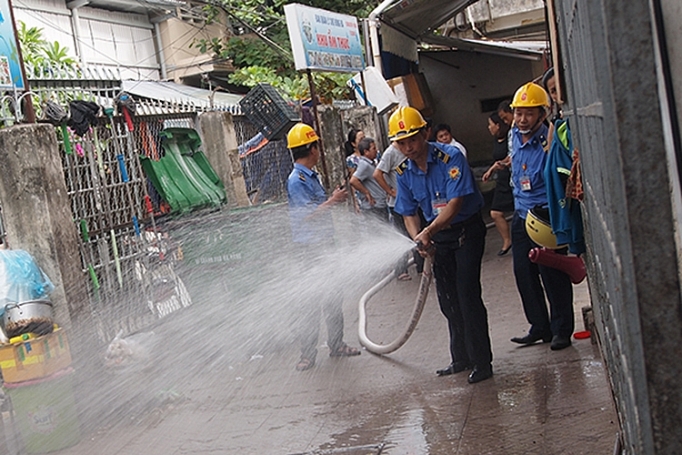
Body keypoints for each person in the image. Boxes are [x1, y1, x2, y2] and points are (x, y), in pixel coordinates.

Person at [390, 106, 493, 384]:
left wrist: (429, 230)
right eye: (401, 142)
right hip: (437, 239)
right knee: (447, 299)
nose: (408, 147)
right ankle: (460, 357)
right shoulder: (403, 170)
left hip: (465, 232)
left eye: (412, 139)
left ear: (425, 133)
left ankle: (482, 361)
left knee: (467, 294)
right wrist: (418, 238)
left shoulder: (450, 156)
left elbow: (455, 203)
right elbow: (408, 211)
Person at [286, 123, 361, 371]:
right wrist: (333, 200)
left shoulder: (311, 176)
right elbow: (306, 215)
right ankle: (307, 355)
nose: (319, 151)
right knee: (310, 302)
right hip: (310, 249)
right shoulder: (296, 180)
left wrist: (333, 198)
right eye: (317, 146)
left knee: (333, 297)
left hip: (325, 245)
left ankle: (336, 344)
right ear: (311, 148)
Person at [506, 82, 574, 351]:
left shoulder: (551, 138)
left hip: (546, 216)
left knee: (552, 274)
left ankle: (561, 330)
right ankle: (539, 326)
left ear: (541, 114)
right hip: (521, 214)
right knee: (524, 273)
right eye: (518, 113)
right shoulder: (513, 134)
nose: (522, 119)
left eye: (529, 114)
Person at [373, 141, 424, 280]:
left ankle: (422, 267)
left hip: (412, 200)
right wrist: (390, 191)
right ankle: (401, 270)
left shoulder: (412, 151)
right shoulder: (390, 153)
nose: (407, 147)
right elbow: (377, 174)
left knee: (417, 233)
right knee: (402, 235)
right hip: (397, 204)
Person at [482, 112, 513, 255]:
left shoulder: (510, 138)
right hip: (501, 180)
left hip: (511, 178)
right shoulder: (496, 140)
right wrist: (491, 171)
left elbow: (510, 156)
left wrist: (495, 167)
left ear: (498, 125)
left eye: (490, 124)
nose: (489, 127)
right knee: (495, 213)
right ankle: (507, 240)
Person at [349, 137, 388, 222]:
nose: (376, 150)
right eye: (373, 148)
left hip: (379, 204)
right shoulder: (364, 164)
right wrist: (366, 192)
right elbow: (353, 180)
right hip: (374, 206)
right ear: (366, 152)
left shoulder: (370, 163)